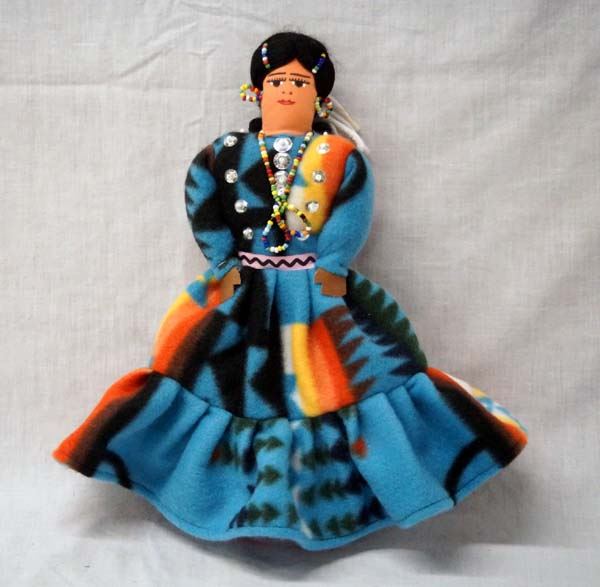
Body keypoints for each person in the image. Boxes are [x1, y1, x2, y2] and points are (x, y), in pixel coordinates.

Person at [52, 31, 528, 551]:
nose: (286, 90)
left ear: (321, 99)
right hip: (241, 291)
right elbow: (201, 196)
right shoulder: (224, 152)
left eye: (299, 83)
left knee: (345, 381)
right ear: (254, 92)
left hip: (318, 294)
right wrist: (221, 258)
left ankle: (349, 491)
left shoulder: (338, 154)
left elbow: (351, 204)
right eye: (277, 80)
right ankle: (206, 488)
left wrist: (335, 261)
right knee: (208, 375)